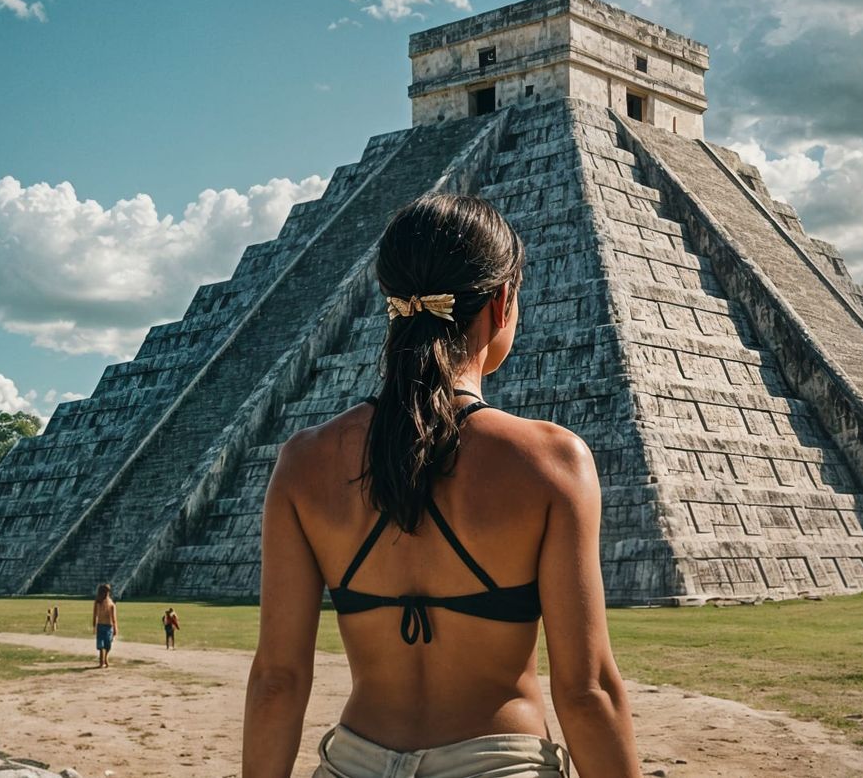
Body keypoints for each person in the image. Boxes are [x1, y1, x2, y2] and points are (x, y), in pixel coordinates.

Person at [242, 194, 640, 778]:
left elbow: (278, 679)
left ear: (391, 305)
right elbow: (586, 693)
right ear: (502, 302)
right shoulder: (551, 464)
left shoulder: (304, 463)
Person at [93, 584, 117, 669]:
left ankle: (105, 658)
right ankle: (101, 661)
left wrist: (115, 628)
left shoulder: (111, 603)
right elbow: (95, 614)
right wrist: (94, 625)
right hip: (100, 625)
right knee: (100, 645)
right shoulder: (97, 602)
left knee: (108, 645)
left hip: (108, 626)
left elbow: (114, 618)